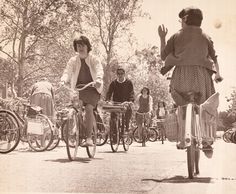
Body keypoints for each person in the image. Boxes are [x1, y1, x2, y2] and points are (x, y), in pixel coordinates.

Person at [158, 7, 223, 156]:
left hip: (181, 77)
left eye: (181, 19)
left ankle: (182, 138)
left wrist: (162, 37)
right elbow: (214, 58)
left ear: (186, 19)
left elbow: (163, 56)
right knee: (205, 109)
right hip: (201, 77)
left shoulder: (175, 36)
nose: (181, 22)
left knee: (182, 107)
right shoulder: (206, 36)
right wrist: (218, 74)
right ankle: (207, 142)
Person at [60, 35, 104, 146]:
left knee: (89, 108)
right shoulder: (73, 60)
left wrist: (98, 79)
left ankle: (89, 138)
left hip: (93, 88)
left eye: (83, 45)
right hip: (79, 89)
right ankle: (78, 129)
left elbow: (99, 69)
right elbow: (67, 71)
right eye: (78, 45)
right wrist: (63, 80)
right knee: (76, 108)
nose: (80, 48)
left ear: (87, 46)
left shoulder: (94, 58)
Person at [106, 66, 134, 132]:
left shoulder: (129, 82)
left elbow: (131, 92)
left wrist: (130, 101)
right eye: (118, 73)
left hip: (125, 102)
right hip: (116, 103)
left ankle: (127, 126)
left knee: (128, 111)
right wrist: (108, 100)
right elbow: (109, 92)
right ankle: (114, 132)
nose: (120, 75)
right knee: (113, 116)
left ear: (124, 74)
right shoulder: (113, 83)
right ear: (117, 74)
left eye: (121, 73)